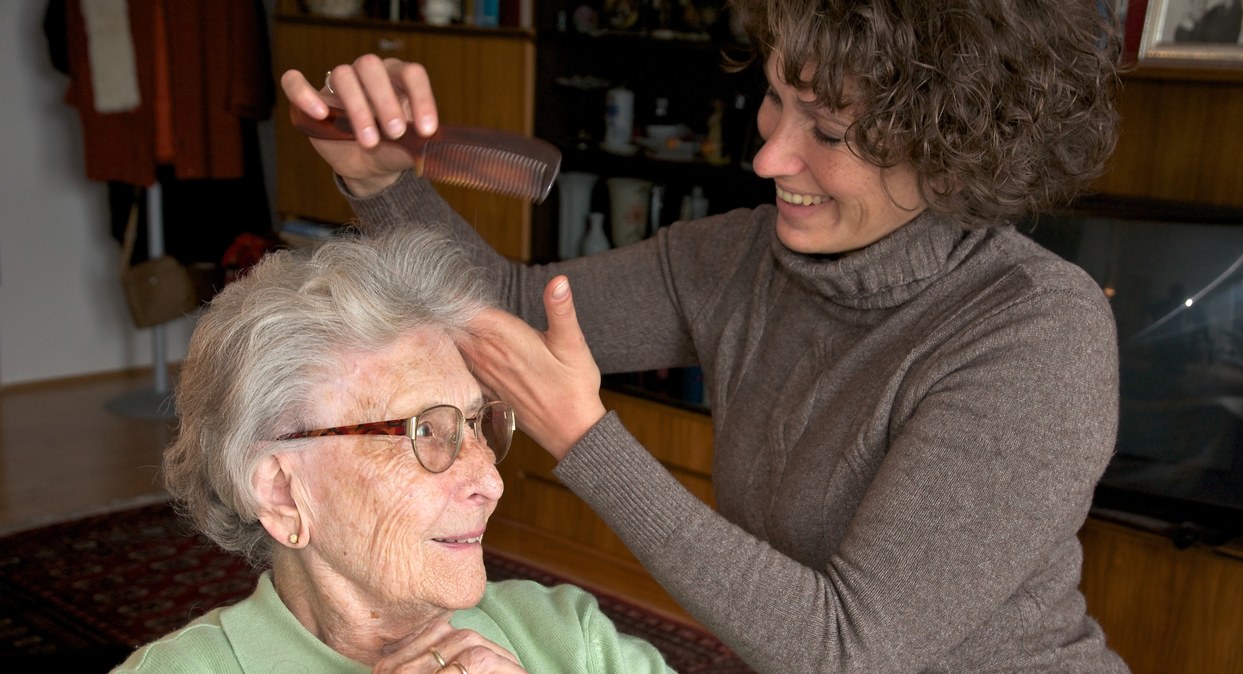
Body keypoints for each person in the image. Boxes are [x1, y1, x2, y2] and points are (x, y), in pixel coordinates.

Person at [281, 1, 1131, 671]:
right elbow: (506, 307)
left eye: (828, 133)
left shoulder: (1034, 334)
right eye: (776, 100)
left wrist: (585, 438)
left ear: (952, 153)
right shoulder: (739, 260)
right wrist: (381, 182)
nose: (769, 159)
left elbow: (843, 650)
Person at [110, 226, 676, 673]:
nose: (491, 481)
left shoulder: (566, 639)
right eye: (425, 432)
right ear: (282, 492)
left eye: (477, 424)